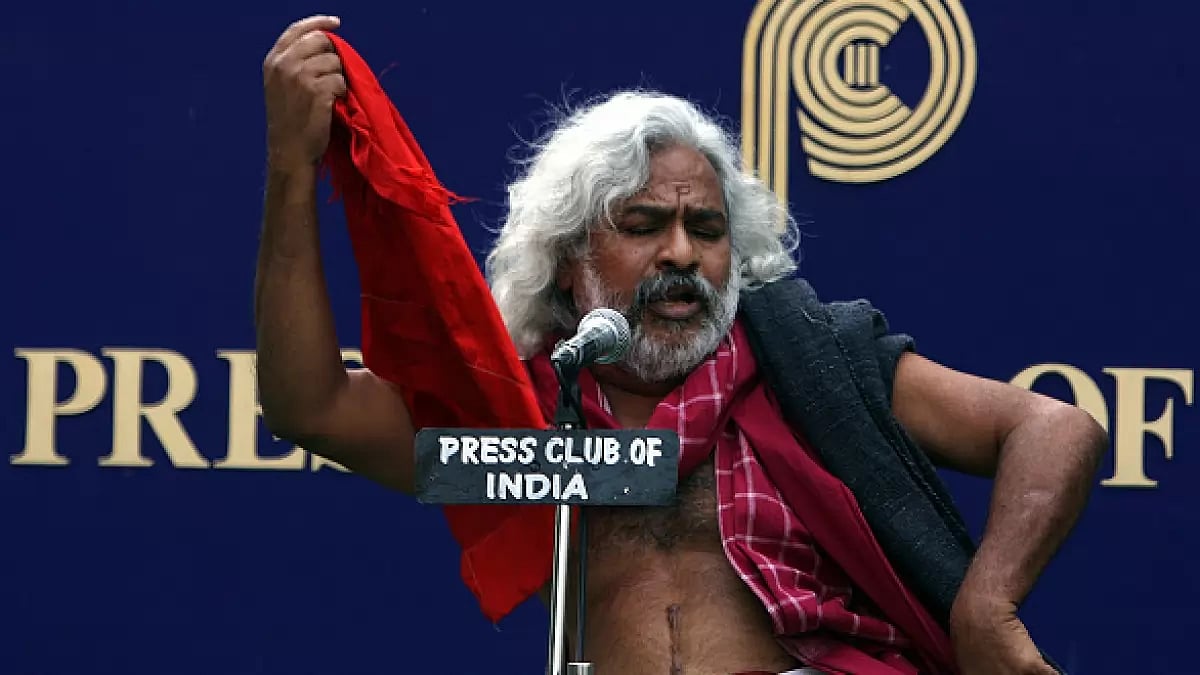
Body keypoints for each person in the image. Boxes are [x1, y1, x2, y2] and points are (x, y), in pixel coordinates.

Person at [255, 15, 1108, 675]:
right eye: (642, 225)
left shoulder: (811, 364)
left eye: (705, 227)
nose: (681, 254)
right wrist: (293, 166)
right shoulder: (527, 406)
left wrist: (984, 608)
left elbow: (1053, 426)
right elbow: (311, 407)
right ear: (570, 257)